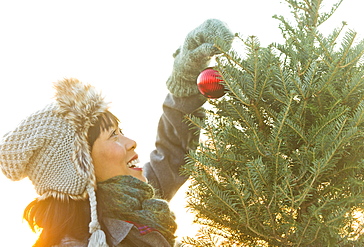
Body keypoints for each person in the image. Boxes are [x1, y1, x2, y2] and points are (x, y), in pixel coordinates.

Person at [0, 19, 233, 247]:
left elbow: (173, 152)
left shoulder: (133, 201)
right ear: (81, 168)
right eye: (113, 135)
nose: (131, 142)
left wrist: (185, 77)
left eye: (122, 132)